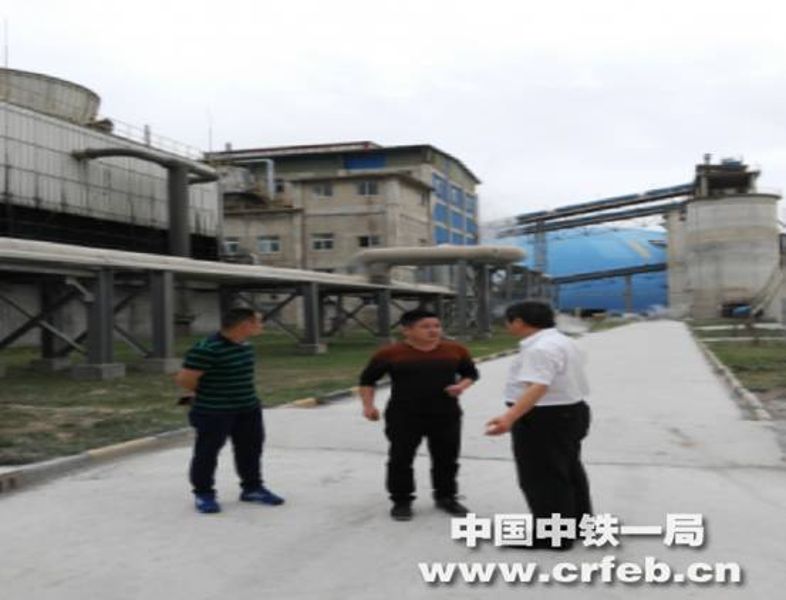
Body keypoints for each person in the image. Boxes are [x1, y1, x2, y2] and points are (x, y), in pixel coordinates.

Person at [486, 301, 591, 549]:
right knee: (567, 470)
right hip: (570, 412)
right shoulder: (564, 341)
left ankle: (553, 536)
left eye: (508, 322)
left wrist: (509, 417)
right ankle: (578, 525)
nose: (508, 326)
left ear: (519, 321)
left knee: (542, 477)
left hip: (545, 417)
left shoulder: (540, 348)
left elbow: (538, 386)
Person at [358, 309, 479, 521]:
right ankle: (401, 501)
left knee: (447, 458)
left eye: (437, 326)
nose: (433, 331)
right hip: (404, 415)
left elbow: (471, 373)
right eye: (426, 327)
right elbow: (367, 380)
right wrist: (368, 406)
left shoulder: (455, 350)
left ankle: (446, 497)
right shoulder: (390, 353)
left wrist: (461, 386)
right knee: (400, 459)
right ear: (407, 330)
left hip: (446, 414)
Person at [174, 307, 285, 514]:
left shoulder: (246, 346)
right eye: (258, 322)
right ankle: (204, 494)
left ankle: (252, 488)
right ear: (245, 325)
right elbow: (185, 380)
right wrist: (210, 394)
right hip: (214, 411)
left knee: (250, 449)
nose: (261, 326)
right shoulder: (207, 348)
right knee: (207, 452)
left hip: (248, 408)